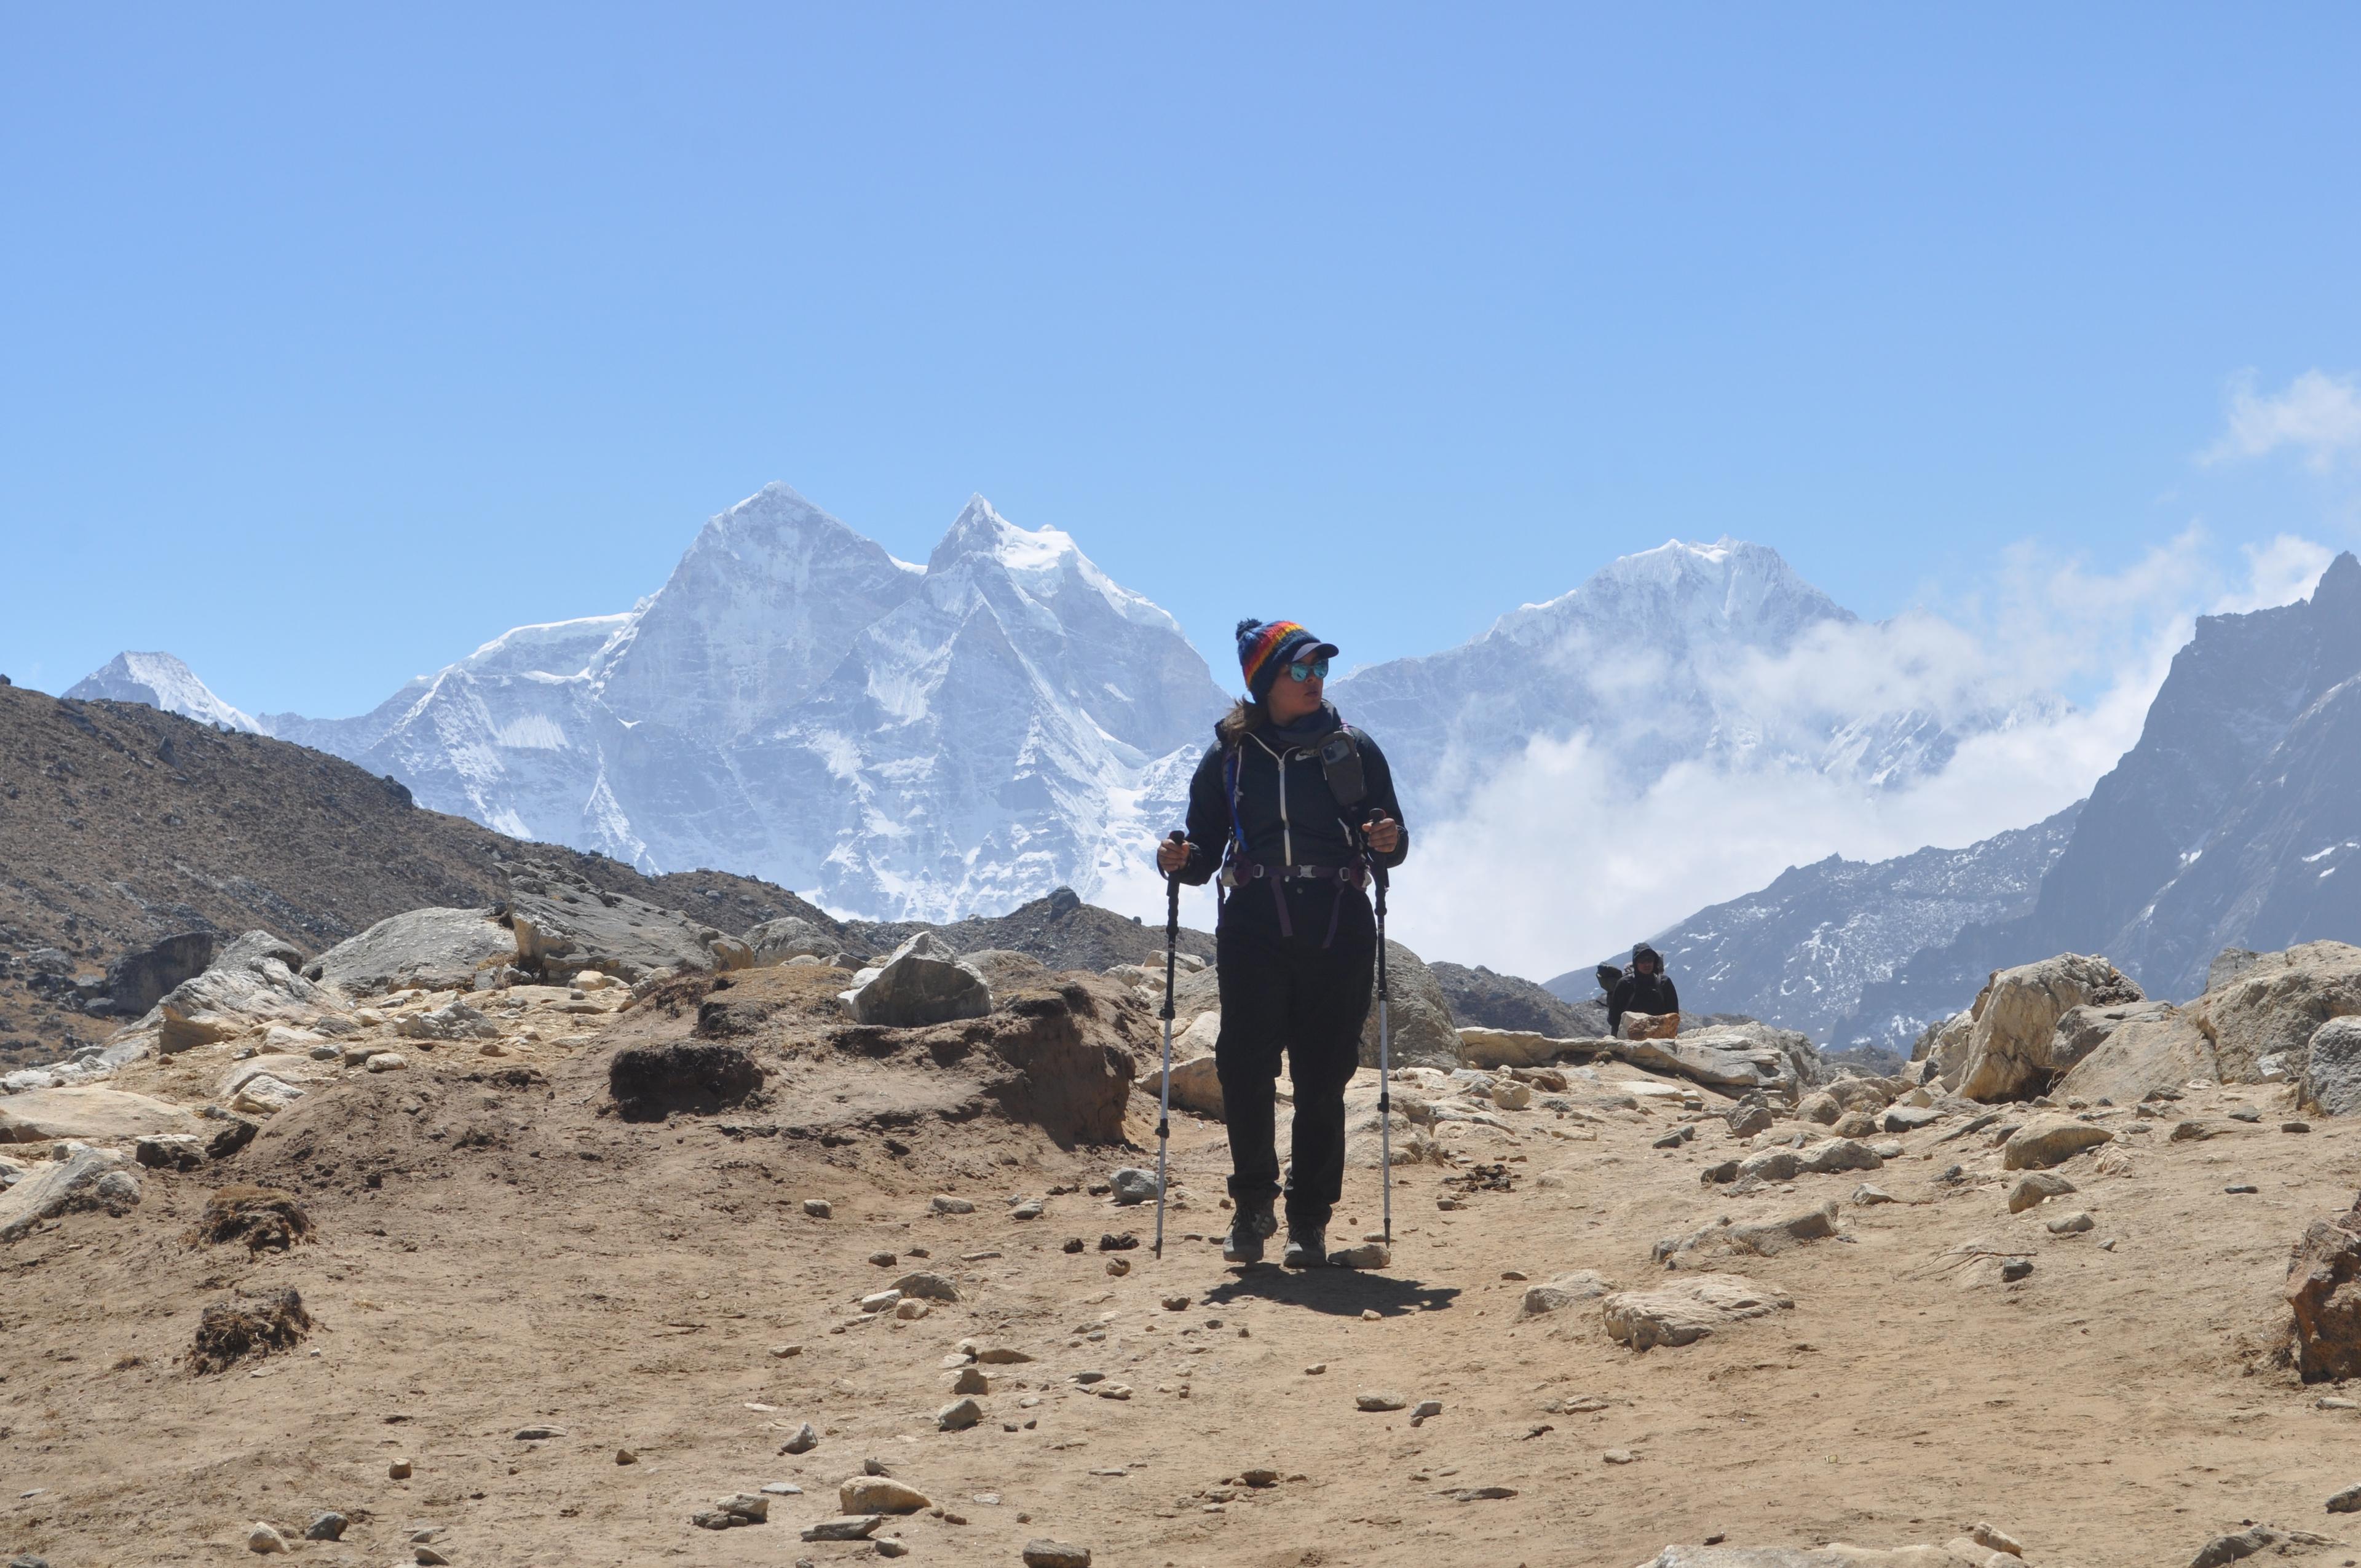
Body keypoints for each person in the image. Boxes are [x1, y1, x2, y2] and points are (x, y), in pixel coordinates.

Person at [1158, 619, 1408, 1269]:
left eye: (1319, 669)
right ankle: (1252, 1208)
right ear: (1266, 681)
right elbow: (1204, 851)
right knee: (1245, 1065)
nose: (1314, 680)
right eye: (1299, 670)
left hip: (1337, 922)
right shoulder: (1230, 759)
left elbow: (1393, 841)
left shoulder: (1353, 750)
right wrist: (1179, 859)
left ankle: (1309, 1219)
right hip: (1256, 926)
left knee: (1324, 1075)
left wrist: (1388, 842)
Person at [1606, 943, 1680, 1038]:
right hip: (1629, 1040)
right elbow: (1614, 1019)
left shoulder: (1664, 983)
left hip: (1660, 1038)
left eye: (1650, 960)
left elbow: (1673, 1017)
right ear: (1636, 963)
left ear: (1655, 961)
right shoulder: (1625, 984)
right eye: (1642, 961)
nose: (1647, 964)